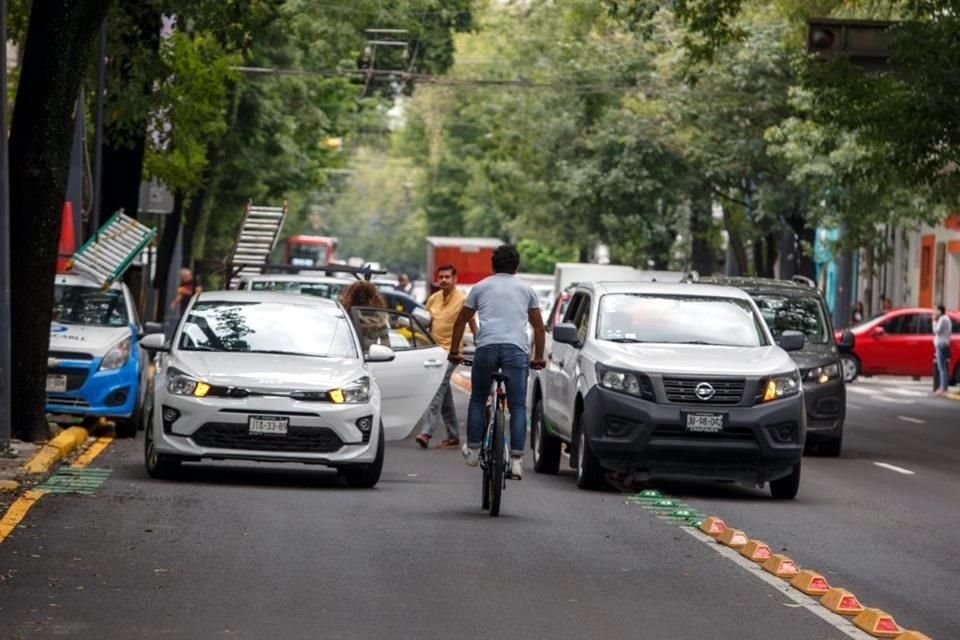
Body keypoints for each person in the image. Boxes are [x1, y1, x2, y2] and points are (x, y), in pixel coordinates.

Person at [448, 245, 546, 480]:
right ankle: (516, 461)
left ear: (492, 266)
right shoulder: (526, 290)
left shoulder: (480, 287)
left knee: (479, 399)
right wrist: (539, 357)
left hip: (487, 349)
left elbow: (461, 321)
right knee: (518, 406)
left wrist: (454, 351)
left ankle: (472, 450)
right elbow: (539, 327)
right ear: (517, 266)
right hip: (516, 351)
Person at [415, 265, 478, 450]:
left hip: (452, 352)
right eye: (441, 277)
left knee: (437, 389)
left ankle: (426, 432)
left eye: (447, 277)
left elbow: (472, 321)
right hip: (433, 351)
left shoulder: (463, 298)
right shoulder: (433, 299)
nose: (443, 280)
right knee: (444, 392)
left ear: (454, 278)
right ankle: (453, 435)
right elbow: (424, 322)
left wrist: (479, 341)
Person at [340, 280, 389, 352]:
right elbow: (386, 345)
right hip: (369, 357)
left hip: (346, 354)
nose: (362, 297)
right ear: (373, 296)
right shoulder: (380, 318)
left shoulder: (344, 315)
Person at [933, 304, 952, 396]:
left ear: (940, 311)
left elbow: (937, 330)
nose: (935, 312)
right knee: (944, 367)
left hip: (941, 344)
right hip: (945, 344)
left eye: (936, 310)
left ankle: (942, 388)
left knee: (942, 368)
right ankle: (944, 387)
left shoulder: (942, 319)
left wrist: (934, 320)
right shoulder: (947, 319)